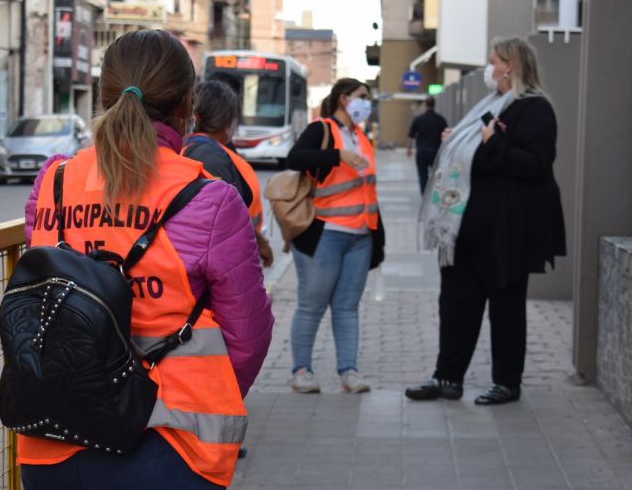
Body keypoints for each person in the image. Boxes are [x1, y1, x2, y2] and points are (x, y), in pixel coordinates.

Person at [20, 29, 274, 489]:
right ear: (186, 106)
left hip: (54, 437)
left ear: (103, 96)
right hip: (169, 442)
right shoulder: (209, 198)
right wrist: (212, 394)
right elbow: (248, 336)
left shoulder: (54, 182)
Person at [405, 37, 565, 405]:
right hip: (467, 229)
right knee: (457, 303)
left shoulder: (534, 109)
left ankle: (507, 383)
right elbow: (476, 149)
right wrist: (458, 141)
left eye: (493, 61)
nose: (489, 68)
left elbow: (535, 163)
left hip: (507, 231)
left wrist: (492, 144)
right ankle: (447, 378)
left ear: (510, 65)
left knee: (506, 308)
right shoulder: (491, 104)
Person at [285, 78, 385, 394]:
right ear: (343, 99)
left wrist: (377, 239)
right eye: (361, 97)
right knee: (311, 306)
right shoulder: (322, 129)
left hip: (360, 236)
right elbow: (295, 158)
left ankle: (349, 372)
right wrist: (337, 156)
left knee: (347, 307)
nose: (366, 104)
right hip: (326, 234)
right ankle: (301, 371)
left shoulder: (361, 137)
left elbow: (369, 190)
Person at [183, 80, 273, 267]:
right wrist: (260, 243)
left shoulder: (200, 146)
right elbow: (231, 216)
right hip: (225, 260)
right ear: (228, 119)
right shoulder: (209, 155)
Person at [407, 96, 448, 195]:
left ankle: (424, 195)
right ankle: (434, 194)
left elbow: (411, 135)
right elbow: (446, 135)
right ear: (434, 105)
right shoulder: (440, 119)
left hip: (421, 151)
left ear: (425, 105)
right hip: (435, 150)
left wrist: (409, 149)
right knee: (435, 175)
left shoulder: (418, 119)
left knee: (422, 175)